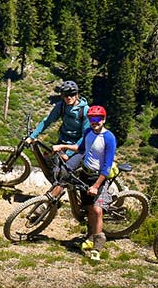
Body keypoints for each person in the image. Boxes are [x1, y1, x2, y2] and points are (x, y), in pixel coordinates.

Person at [53, 104, 115, 261]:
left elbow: (107, 166)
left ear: (104, 119)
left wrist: (96, 186)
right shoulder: (88, 132)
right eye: (92, 119)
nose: (95, 122)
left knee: (97, 210)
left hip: (98, 178)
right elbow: (80, 149)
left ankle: (97, 247)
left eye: (98, 119)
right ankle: (90, 236)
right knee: (88, 209)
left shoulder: (109, 138)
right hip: (85, 174)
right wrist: (63, 147)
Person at [28, 80, 90, 151]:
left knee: (65, 161)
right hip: (62, 140)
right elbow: (47, 121)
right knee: (48, 159)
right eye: (66, 95)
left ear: (77, 94)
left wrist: (68, 153)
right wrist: (32, 137)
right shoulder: (61, 106)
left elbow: (85, 135)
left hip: (76, 145)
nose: (69, 97)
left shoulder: (85, 110)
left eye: (72, 94)